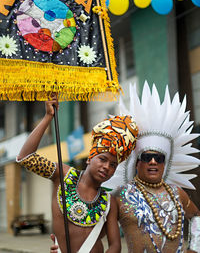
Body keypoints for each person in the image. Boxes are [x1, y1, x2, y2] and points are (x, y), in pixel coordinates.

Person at [16, 94, 138, 253]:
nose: (106, 166)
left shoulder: (109, 202)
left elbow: (115, 245)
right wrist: (47, 117)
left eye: (113, 165)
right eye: (102, 159)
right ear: (89, 158)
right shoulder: (63, 175)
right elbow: (26, 158)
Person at [103, 82, 200, 253]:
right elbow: (97, 233)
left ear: (165, 163)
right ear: (137, 162)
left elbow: (196, 217)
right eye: (147, 157)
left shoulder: (177, 192)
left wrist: (194, 248)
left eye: (159, 158)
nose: (153, 162)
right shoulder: (120, 195)